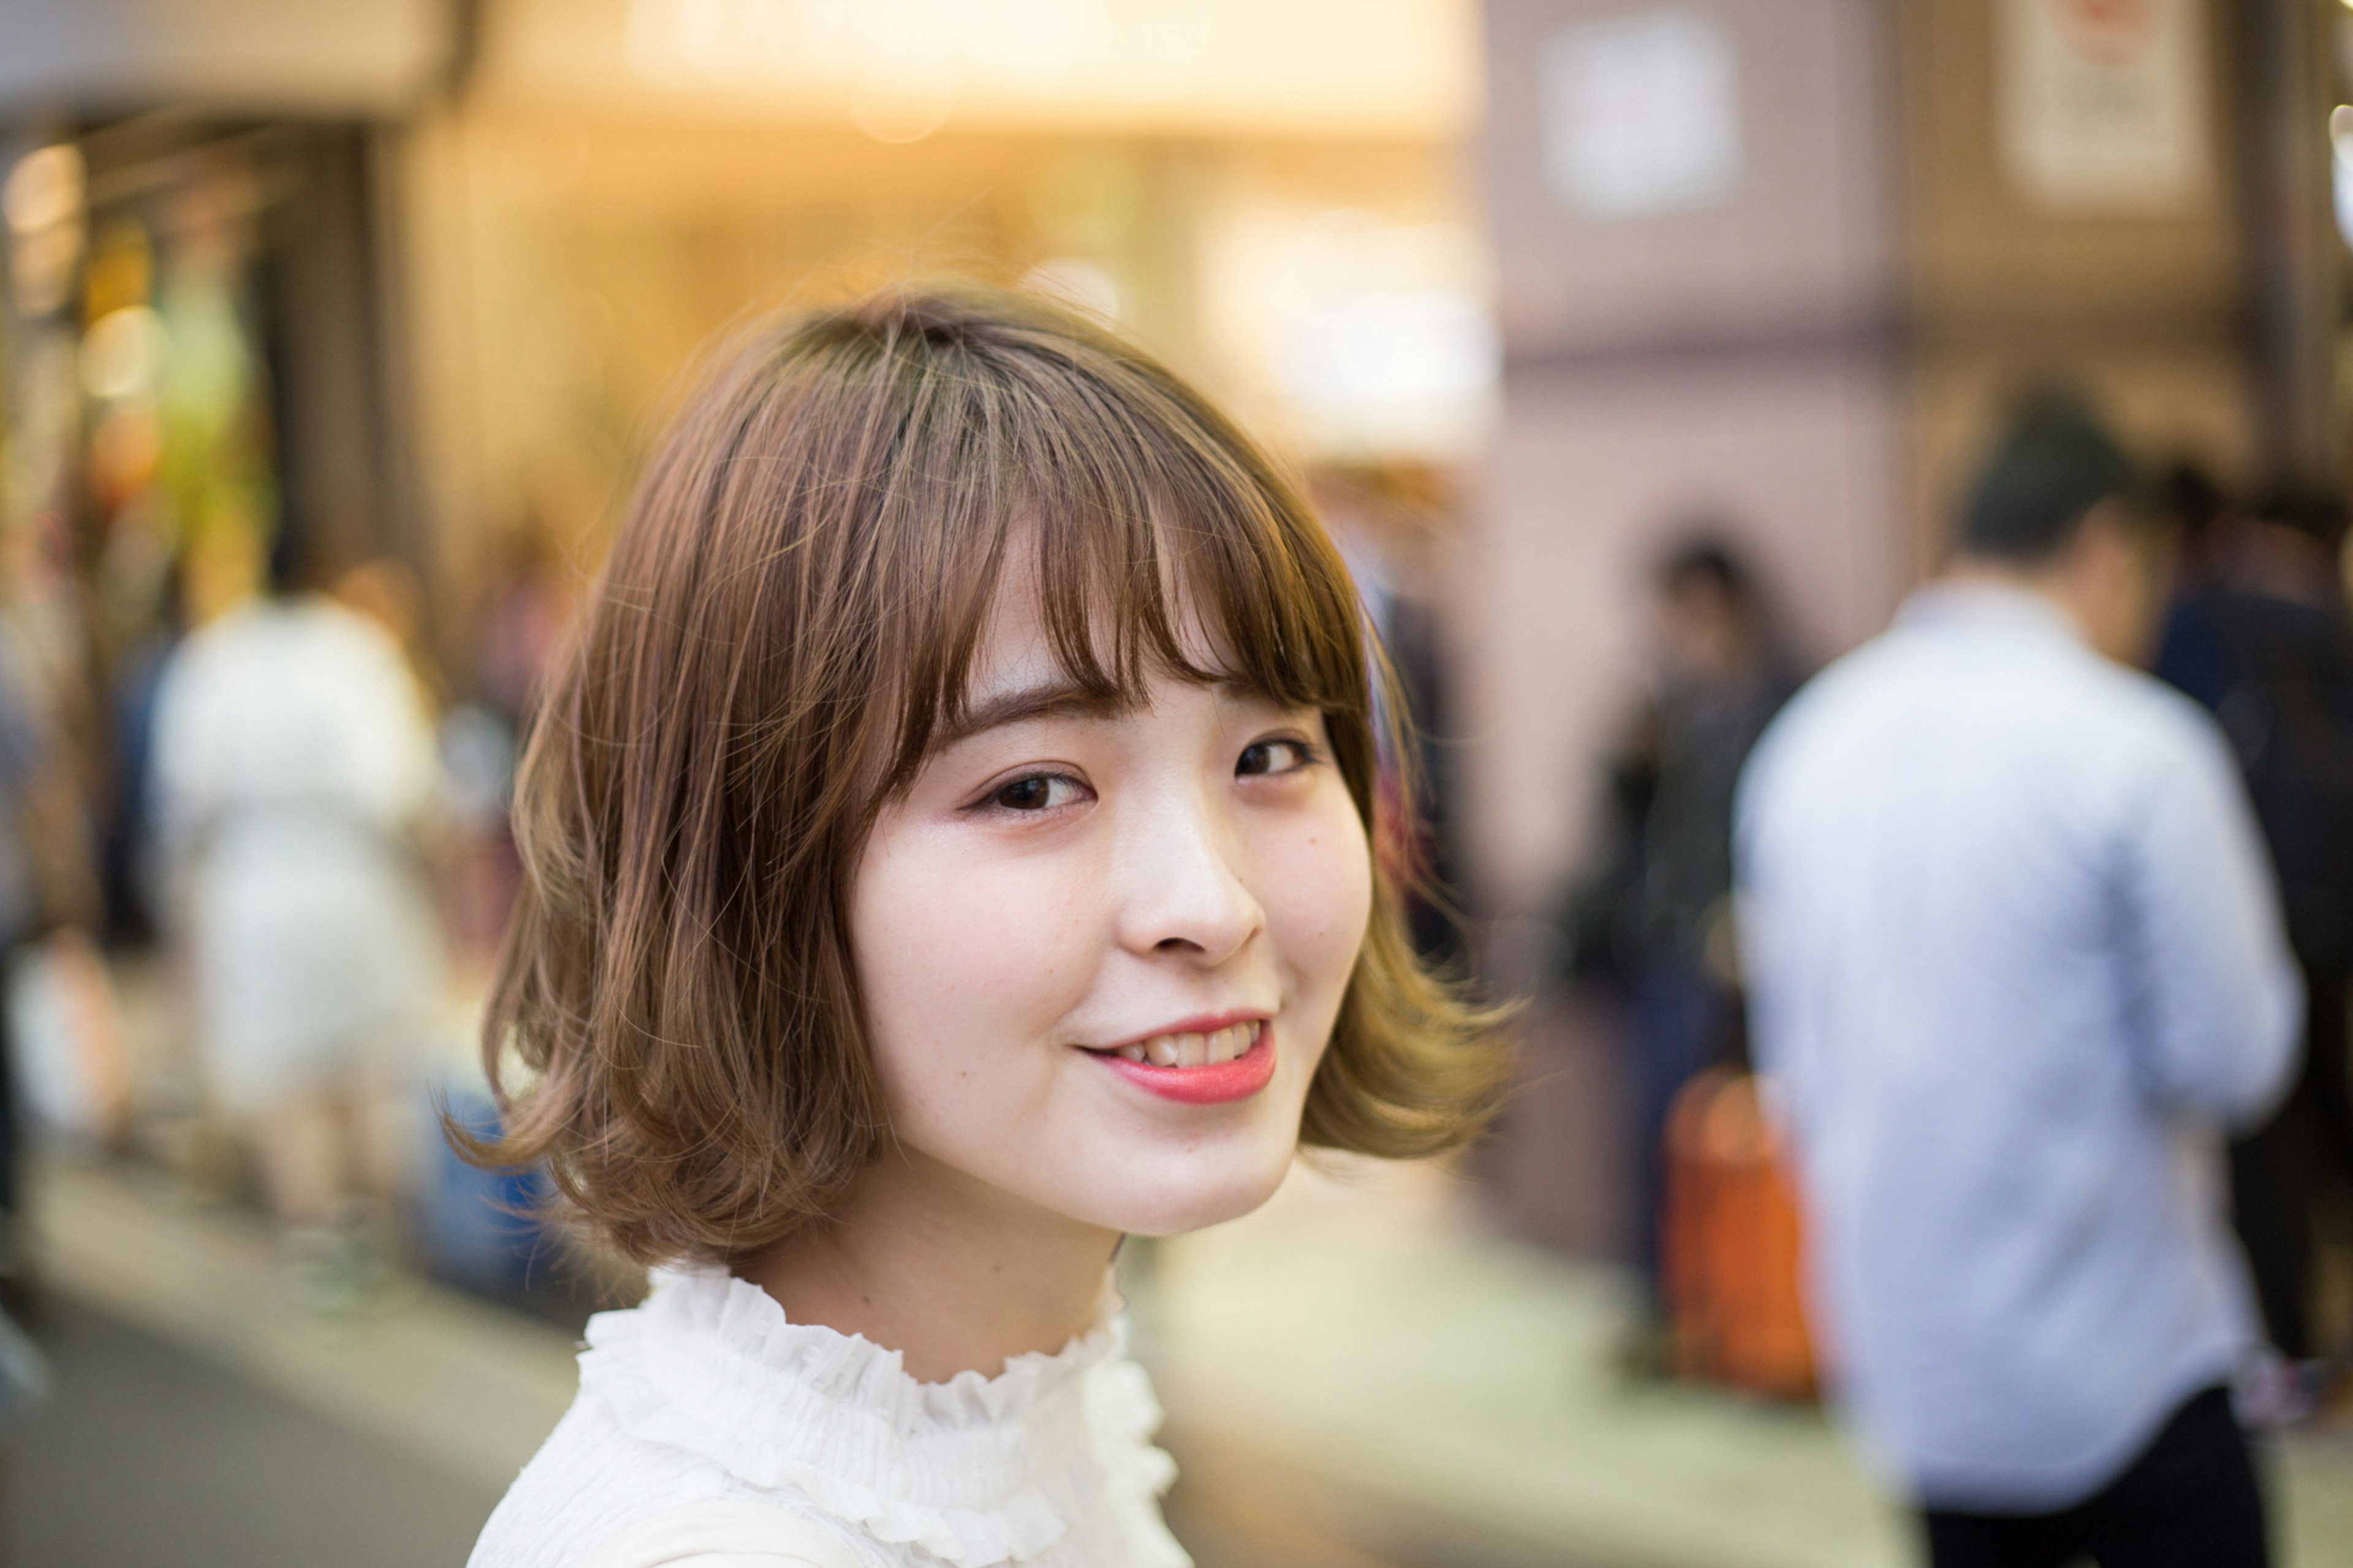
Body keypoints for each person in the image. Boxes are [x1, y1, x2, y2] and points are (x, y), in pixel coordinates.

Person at [461, 287, 1513, 1568]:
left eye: (1273, 751)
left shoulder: (1019, 1435)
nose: (1213, 902)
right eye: (1031, 788)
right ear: (748, 873)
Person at [1736, 392, 2301, 1568]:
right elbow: (2235, 1058)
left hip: (1921, 1374)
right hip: (2132, 1362)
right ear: (2109, 545)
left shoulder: (1807, 742)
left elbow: (1796, 1074)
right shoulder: (2139, 748)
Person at [150, 522, 445, 1307]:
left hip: (252, 885)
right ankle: (379, 1234)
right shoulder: (357, 650)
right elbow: (399, 785)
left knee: (288, 1082)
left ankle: (321, 1249)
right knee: (365, 1067)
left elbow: (181, 800)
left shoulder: (216, 656)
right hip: (350, 875)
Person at [1566, 535, 1797, 1341]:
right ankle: (1663, 1302)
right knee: (1651, 1131)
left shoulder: (1781, 705)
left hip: (1741, 956)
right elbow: (1623, 831)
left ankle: (1735, 1310)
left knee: (1734, 1142)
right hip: (1660, 949)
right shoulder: (1664, 711)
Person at [2155, 482, 2353, 1392]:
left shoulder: (2196, 626)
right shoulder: (2318, 621)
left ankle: (2290, 1348)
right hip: (2328, 911)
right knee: (2329, 1122)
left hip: (2257, 914)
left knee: (2265, 1139)